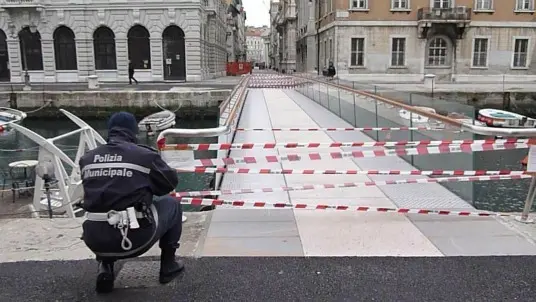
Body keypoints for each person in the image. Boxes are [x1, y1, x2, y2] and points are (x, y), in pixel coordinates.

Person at [79, 111, 184, 294]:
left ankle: (105, 268)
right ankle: (168, 266)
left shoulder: (87, 159)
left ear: (110, 131)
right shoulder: (144, 156)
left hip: (94, 239)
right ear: (133, 132)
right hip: (134, 239)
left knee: (104, 204)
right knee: (172, 204)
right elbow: (169, 184)